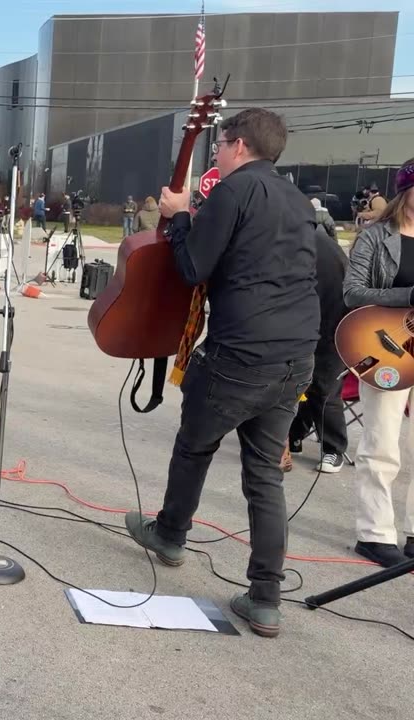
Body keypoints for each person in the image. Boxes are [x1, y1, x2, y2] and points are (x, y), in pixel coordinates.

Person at [123, 108, 318, 639]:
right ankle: (265, 599)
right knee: (263, 476)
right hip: (296, 354)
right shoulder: (298, 201)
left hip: (241, 353)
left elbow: (192, 267)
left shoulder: (234, 192)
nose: (216, 152)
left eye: (220, 143)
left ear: (239, 145)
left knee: (194, 446)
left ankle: (169, 535)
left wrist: (182, 214)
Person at [340, 158, 414, 568]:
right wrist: (407, 296)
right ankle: (375, 533)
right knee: (382, 443)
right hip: (389, 348)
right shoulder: (375, 238)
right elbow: (352, 293)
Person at [286, 217, 349, 473]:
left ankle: (334, 448)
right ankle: (294, 436)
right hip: (314, 326)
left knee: (323, 389)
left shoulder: (311, 248)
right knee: (302, 386)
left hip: (332, 327)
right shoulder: (314, 243)